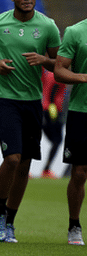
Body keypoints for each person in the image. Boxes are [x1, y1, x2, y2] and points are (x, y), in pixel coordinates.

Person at [0, 0, 60, 243]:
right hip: (5, 100)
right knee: (13, 158)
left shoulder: (47, 26)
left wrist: (44, 60)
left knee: (25, 164)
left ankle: (11, 221)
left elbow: (58, 66)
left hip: (33, 102)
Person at [53, 18, 87, 246]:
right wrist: (83, 77)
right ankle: (74, 225)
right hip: (81, 111)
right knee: (79, 173)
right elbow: (59, 71)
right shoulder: (76, 32)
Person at [40, 69, 66, 179]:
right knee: (57, 140)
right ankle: (46, 169)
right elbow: (53, 93)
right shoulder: (60, 75)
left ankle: (46, 168)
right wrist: (53, 110)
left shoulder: (48, 73)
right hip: (53, 110)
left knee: (55, 141)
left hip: (43, 108)